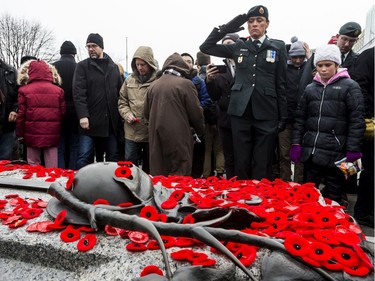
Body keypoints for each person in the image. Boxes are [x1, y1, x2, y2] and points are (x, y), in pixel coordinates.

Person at [200, 5, 287, 180]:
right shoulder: (238, 46)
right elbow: (206, 47)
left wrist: (282, 115)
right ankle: (243, 201)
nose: (255, 24)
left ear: (267, 24)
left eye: (259, 21)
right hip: (240, 111)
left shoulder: (278, 46)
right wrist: (225, 29)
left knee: (263, 162)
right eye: (251, 21)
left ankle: (260, 200)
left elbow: (281, 83)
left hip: (267, 110)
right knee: (241, 161)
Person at [290, 44, 365, 207]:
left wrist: (353, 148)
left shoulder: (350, 86)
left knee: (334, 195)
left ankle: (333, 227)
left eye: (328, 65)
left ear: (337, 65)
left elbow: (356, 120)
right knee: (309, 194)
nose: (323, 69)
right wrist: (296, 144)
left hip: (336, 154)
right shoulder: (310, 88)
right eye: (319, 65)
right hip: (312, 153)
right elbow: (300, 119)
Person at [144, 52, 205, 176]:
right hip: (179, 136)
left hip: (156, 135)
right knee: (180, 171)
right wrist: (200, 131)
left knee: (159, 172)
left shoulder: (153, 86)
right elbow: (196, 113)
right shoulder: (186, 84)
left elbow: (145, 113)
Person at [73, 33, 123, 169]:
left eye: (93, 46)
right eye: (88, 46)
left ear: (101, 47)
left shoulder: (113, 68)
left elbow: (120, 93)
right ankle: (79, 187)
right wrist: (83, 115)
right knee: (84, 156)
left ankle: (113, 188)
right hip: (89, 122)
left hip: (110, 124)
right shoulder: (82, 66)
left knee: (113, 158)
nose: (90, 49)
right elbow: (79, 93)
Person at [16, 60, 65, 168]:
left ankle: (34, 184)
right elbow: (62, 113)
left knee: (33, 164)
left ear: (30, 72)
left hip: (31, 132)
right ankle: (51, 184)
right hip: (52, 132)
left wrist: (20, 134)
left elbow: (21, 114)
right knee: (52, 166)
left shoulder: (24, 90)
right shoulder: (58, 91)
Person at [118, 46, 158, 173]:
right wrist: (127, 114)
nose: (140, 67)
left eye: (143, 64)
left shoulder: (158, 81)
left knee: (150, 166)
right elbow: (122, 101)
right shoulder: (129, 80)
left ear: (150, 64)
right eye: (137, 64)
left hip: (150, 132)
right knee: (129, 165)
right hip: (132, 132)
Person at [205, 33, 239, 179]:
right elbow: (215, 96)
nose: (227, 47)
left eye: (230, 43)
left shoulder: (246, 65)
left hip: (243, 117)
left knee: (243, 156)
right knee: (229, 156)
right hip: (225, 119)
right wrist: (209, 80)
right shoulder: (221, 69)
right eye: (224, 44)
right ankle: (232, 183)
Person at [278, 37, 309, 183]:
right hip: (286, 118)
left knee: (300, 155)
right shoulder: (283, 69)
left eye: (301, 57)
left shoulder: (308, 68)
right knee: (284, 154)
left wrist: (309, 59)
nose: (297, 60)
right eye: (294, 57)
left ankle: (298, 185)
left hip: (303, 119)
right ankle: (284, 183)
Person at [352, 47, 374, 227]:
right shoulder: (369, 56)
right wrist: (368, 116)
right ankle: (364, 212)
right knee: (372, 170)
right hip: (372, 122)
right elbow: (360, 87)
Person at [181, 52, 212, 178]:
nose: (186, 63)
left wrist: (195, 109)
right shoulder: (176, 79)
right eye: (183, 61)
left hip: (196, 123)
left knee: (198, 154)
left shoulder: (198, 80)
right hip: (180, 123)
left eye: (189, 61)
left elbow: (207, 99)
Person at [196, 51, 225, 178]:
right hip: (219, 118)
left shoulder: (197, 79)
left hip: (206, 120)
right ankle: (219, 172)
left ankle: (207, 174)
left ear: (197, 62)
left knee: (207, 151)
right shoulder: (215, 76)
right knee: (219, 149)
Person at [53, 41, 79, 170]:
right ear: (74, 53)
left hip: (57, 110)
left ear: (61, 52)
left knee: (60, 145)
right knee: (75, 145)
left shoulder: (52, 67)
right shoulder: (79, 67)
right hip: (76, 111)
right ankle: (72, 172)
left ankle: (60, 172)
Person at [0, 58, 18, 160]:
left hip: (7, 126)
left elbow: (19, 96)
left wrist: (15, 110)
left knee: (4, 165)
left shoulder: (10, 71)